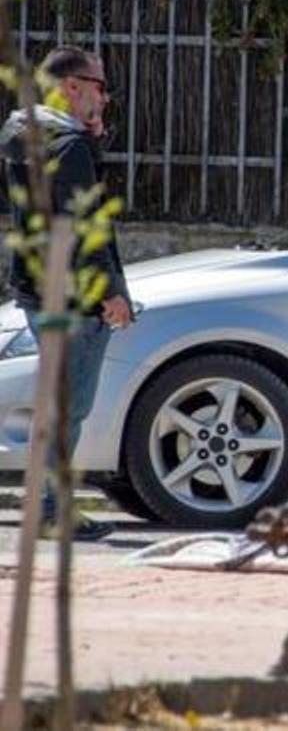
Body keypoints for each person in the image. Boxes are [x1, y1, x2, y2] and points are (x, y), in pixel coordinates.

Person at [2, 46, 133, 541]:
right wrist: (111, 292)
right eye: (99, 87)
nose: (105, 97)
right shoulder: (70, 146)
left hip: (36, 288)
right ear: (71, 86)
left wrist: (92, 136)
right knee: (70, 409)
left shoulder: (21, 133)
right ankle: (52, 511)